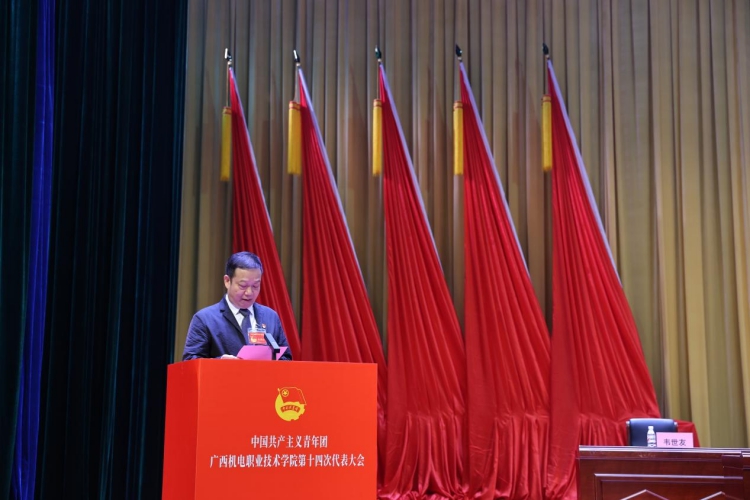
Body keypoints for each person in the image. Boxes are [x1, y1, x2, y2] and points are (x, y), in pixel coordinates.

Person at [182, 251, 292, 360]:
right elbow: (190, 361)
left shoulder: (270, 317)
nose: (249, 292)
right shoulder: (205, 319)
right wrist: (219, 362)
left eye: (255, 286)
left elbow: (285, 358)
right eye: (243, 285)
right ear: (227, 281)